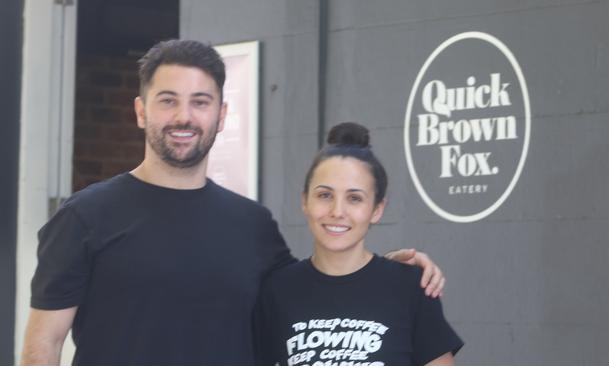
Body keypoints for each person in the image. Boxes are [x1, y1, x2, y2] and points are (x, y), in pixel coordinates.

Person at [21, 40, 445, 366]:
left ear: (221, 115)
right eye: (168, 100)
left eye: (200, 102)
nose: (184, 117)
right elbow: (44, 345)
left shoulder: (252, 225)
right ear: (140, 111)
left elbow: (314, 289)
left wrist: (388, 273)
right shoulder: (84, 218)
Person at [254, 122, 463, 366]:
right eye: (324, 195)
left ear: (377, 209)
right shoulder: (277, 291)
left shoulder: (410, 288)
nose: (337, 211)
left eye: (354, 198)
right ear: (305, 201)